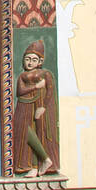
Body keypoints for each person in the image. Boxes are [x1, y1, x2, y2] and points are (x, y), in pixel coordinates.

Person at [13, 40, 60, 176]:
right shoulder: (22, 76)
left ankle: (40, 163)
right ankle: (36, 163)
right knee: (23, 131)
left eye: (34, 60)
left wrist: (43, 107)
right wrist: (36, 87)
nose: (30, 62)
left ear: (40, 61)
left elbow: (50, 91)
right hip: (23, 105)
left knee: (39, 133)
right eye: (27, 59)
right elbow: (20, 91)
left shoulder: (45, 74)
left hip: (39, 105)